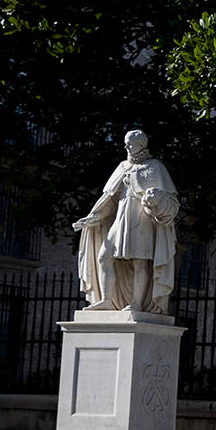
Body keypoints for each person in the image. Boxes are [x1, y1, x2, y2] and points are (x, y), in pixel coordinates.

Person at [72, 129, 179, 313]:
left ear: (141, 145)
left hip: (141, 220)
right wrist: (94, 217)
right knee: (104, 256)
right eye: (126, 143)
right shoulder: (123, 167)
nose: (126, 146)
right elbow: (111, 199)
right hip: (120, 219)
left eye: (130, 143)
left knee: (140, 262)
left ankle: (136, 304)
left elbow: (170, 202)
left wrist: (156, 199)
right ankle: (106, 300)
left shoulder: (155, 167)